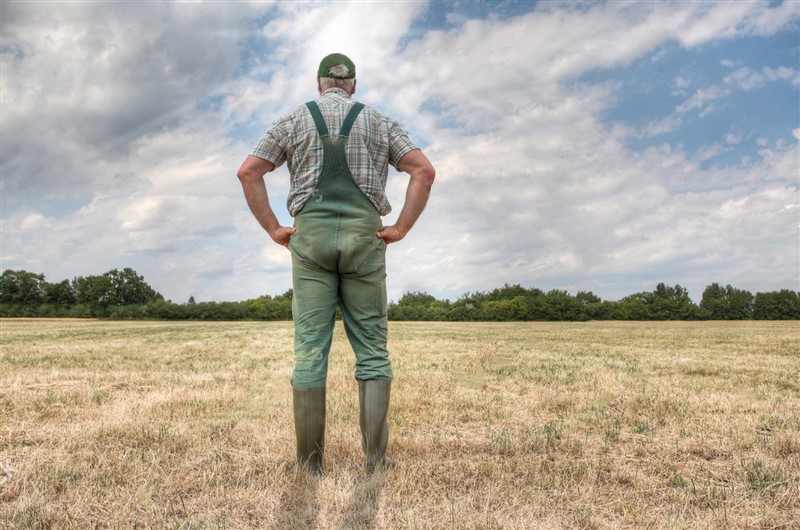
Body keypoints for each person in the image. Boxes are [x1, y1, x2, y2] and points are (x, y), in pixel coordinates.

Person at [237, 53, 435, 474]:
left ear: (318, 83)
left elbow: (248, 172)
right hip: (365, 240)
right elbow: (423, 170)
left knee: (310, 351)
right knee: (373, 351)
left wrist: (275, 229)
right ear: (354, 86)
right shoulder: (380, 122)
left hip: (310, 242)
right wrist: (399, 228)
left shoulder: (291, 120)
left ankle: (310, 465)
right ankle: (374, 462)